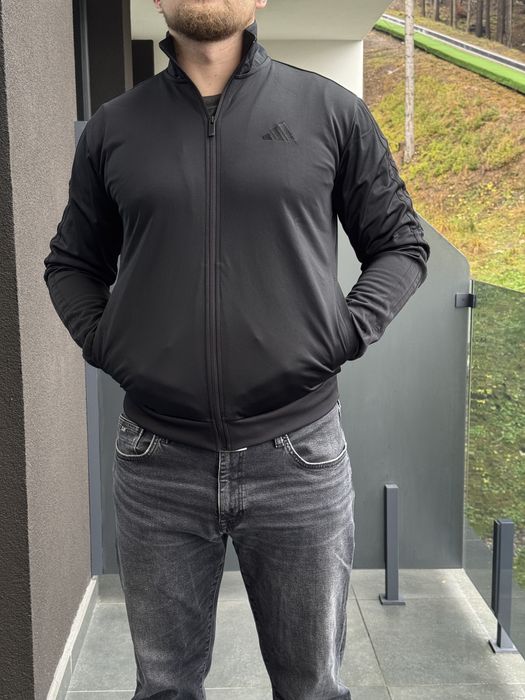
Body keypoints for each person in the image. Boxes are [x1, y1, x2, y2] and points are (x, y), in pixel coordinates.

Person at [43, 1, 431, 698]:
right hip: (157, 462)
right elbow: (72, 263)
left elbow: (400, 244)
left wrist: (343, 332)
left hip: (299, 456)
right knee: (164, 688)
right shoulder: (113, 128)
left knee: (311, 687)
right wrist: (108, 343)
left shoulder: (328, 112)